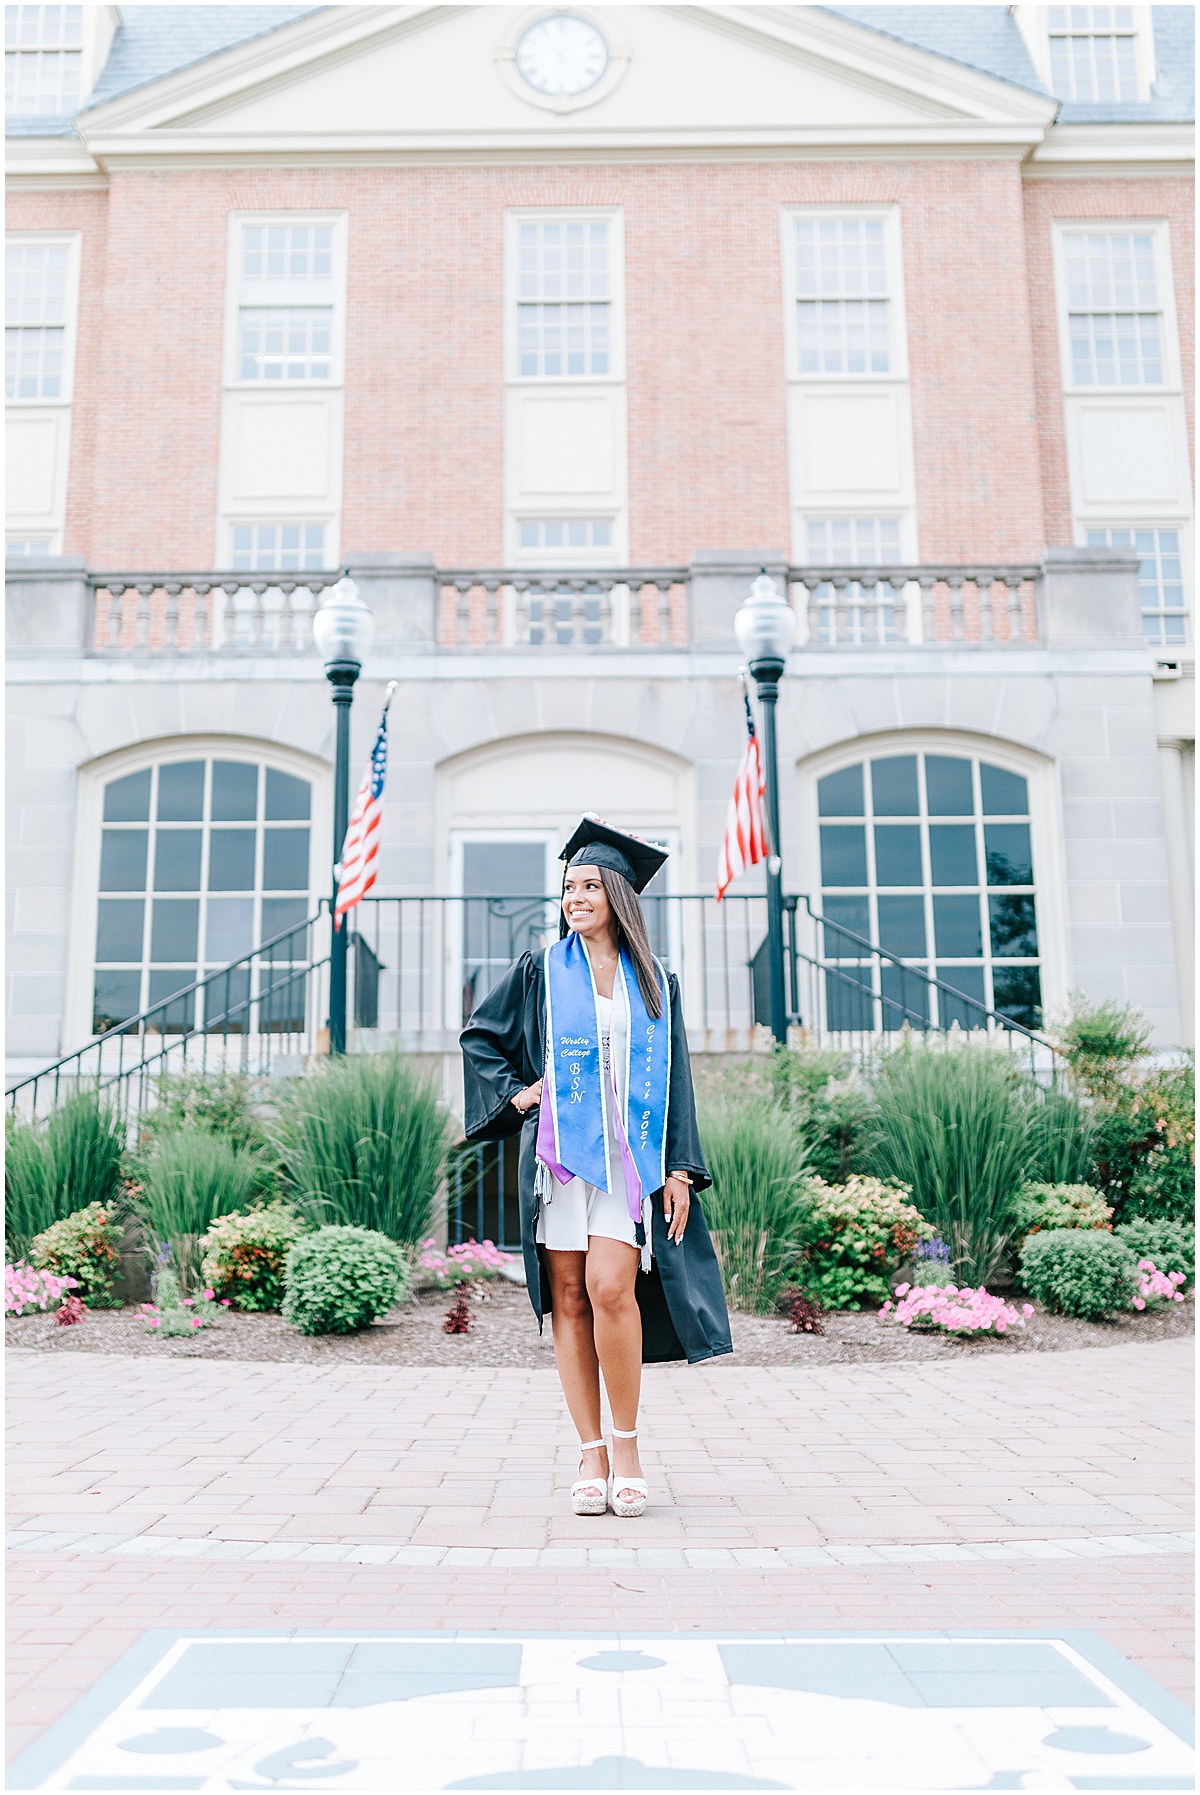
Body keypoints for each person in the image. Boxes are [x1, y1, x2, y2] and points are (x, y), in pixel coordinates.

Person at [460, 816, 732, 1520]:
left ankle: (628, 1444)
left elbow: (678, 1077)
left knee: (615, 1287)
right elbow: (480, 1039)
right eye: (566, 887)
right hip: (561, 1158)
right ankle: (590, 1452)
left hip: (629, 1157)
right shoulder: (541, 971)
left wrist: (680, 1167)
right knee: (571, 1298)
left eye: (587, 885)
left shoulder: (655, 980)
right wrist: (521, 1094)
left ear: (617, 893)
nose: (574, 897)